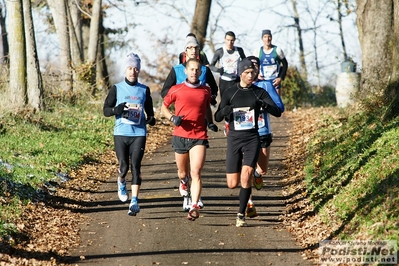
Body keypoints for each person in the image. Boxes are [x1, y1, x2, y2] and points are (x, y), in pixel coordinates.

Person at [214, 58, 281, 227]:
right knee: (232, 183)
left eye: (252, 72)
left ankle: (240, 214)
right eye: (247, 73)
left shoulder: (259, 92)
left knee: (246, 177)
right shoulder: (230, 92)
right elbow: (217, 116)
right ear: (240, 73)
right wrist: (225, 111)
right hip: (235, 139)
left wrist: (264, 105)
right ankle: (243, 205)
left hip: (253, 138)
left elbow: (277, 112)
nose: (251, 75)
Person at [161, 35, 218, 211]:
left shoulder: (205, 84)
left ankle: (194, 203)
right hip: (180, 132)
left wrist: (209, 122)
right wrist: (173, 116)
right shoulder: (177, 76)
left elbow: (211, 98)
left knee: (196, 172)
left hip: (199, 134)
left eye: (196, 48)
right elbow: (164, 101)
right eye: (190, 47)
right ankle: (183, 182)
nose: (194, 72)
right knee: (183, 173)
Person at [103, 52, 156, 216]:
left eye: (135, 68)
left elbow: (150, 113)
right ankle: (121, 181)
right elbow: (105, 110)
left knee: (136, 166)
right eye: (130, 68)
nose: (133, 71)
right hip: (121, 133)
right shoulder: (116, 89)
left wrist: (151, 120)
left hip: (139, 133)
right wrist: (115, 110)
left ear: (139, 70)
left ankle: (134, 201)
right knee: (124, 166)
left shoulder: (144, 90)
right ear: (126, 70)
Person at [244, 56, 285, 219]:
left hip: (263, 132)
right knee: (245, 170)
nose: (253, 71)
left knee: (262, 169)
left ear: (259, 69)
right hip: (245, 134)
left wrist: (265, 105)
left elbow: (279, 108)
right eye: (250, 68)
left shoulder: (266, 85)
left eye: (255, 67)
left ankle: (258, 175)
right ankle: (249, 203)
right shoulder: (240, 87)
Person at [161, 35, 218, 105]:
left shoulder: (205, 70)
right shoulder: (176, 70)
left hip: (201, 112)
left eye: (196, 48)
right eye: (190, 48)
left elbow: (214, 88)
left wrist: (211, 97)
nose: (194, 51)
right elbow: (164, 92)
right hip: (182, 111)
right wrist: (178, 97)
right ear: (185, 50)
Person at [209, 31, 246, 97]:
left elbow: (245, 63)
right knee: (225, 102)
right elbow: (211, 66)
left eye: (232, 40)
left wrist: (241, 72)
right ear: (224, 39)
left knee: (236, 100)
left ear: (234, 40)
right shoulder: (220, 51)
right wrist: (218, 70)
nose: (229, 42)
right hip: (224, 81)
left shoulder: (239, 50)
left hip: (236, 80)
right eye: (228, 40)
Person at [252, 29, 288, 96]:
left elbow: (285, 64)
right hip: (263, 81)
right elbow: (253, 65)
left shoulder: (277, 50)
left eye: (269, 37)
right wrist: (257, 75)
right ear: (262, 39)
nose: (267, 39)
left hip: (275, 82)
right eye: (265, 37)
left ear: (271, 38)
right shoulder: (258, 51)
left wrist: (281, 78)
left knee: (276, 103)